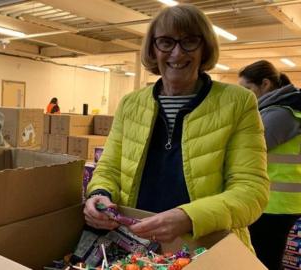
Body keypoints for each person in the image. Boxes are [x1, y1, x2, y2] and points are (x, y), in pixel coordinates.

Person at [84, 4, 269, 250]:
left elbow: (252, 190)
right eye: (166, 42)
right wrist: (100, 194)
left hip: (206, 246)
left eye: (190, 41)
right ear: (153, 48)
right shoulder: (131, 104)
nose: (177, 53)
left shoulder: (237, 102)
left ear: (204, 48)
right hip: (135, 246)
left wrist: (189, 217)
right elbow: (109, 168)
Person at [239, 60, 301, 270]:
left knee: (264, 259)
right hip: (273, 200)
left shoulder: (281, 113)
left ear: (265, 84)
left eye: (247, 89)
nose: (245, 95)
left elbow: (249, 146)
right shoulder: (275, 108)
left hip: (276, 203)